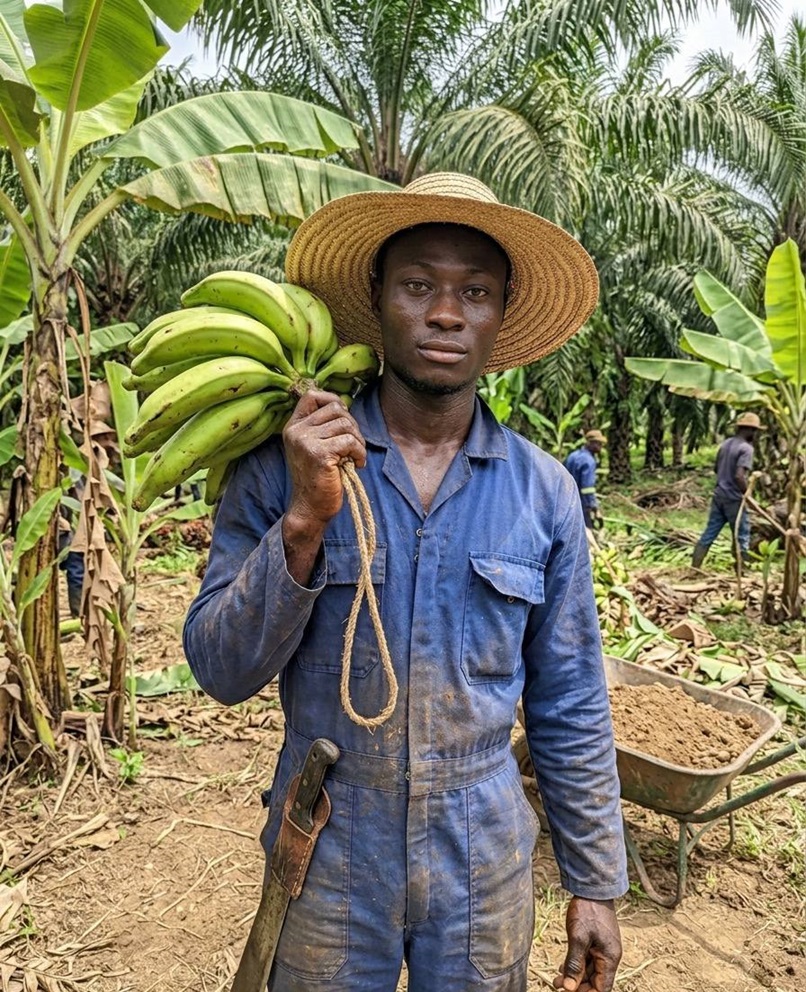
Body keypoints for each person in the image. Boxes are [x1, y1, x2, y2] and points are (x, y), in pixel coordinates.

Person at [183, 173, 627, 992]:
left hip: (483, 852)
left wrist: (594, 880)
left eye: (476, 291)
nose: (447, 312)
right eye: (419, 285)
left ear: (500, 314)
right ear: (378, 297)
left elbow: (569, 698)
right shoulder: (281, 469)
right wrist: (305, 525)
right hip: (326, 841)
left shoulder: (543, 492)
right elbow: (218, 670)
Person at [692, 411, 764, 569]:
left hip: (719, 495)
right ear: (750, 430)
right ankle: (742, 569)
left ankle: (695, 567)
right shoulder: (746, 449)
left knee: (710, 532)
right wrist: (747, 495)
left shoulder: (725, 444)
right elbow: (739, 476)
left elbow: (717, 468)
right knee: (742, 535)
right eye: (755, 431)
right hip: (734, 499)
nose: (755, 434)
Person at [564, 430, 607, 530]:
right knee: (586, 530)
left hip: (567, 500)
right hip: (581, 503)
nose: (601, 446)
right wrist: (593, 506)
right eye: (598, 443)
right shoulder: (589, 461)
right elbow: (587, 488)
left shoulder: (572, 456)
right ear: (590, 443)